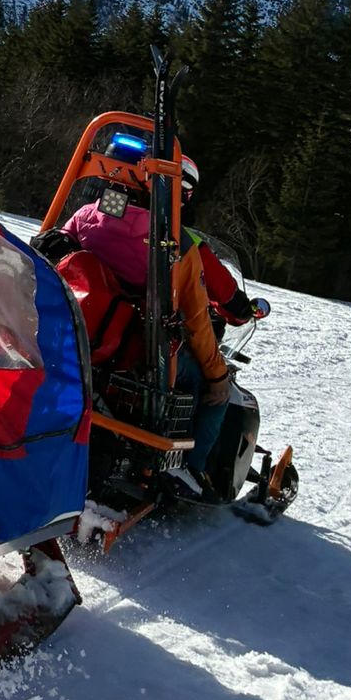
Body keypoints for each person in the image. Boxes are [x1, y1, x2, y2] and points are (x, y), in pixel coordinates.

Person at [58, 151, 231, 497]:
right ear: (178, 193)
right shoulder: (177, 247)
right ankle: (189, 470)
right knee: (202, 383)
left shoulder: (83, 216)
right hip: (134, 352)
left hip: (70, 332)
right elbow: (197, 322)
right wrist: (218, 376)